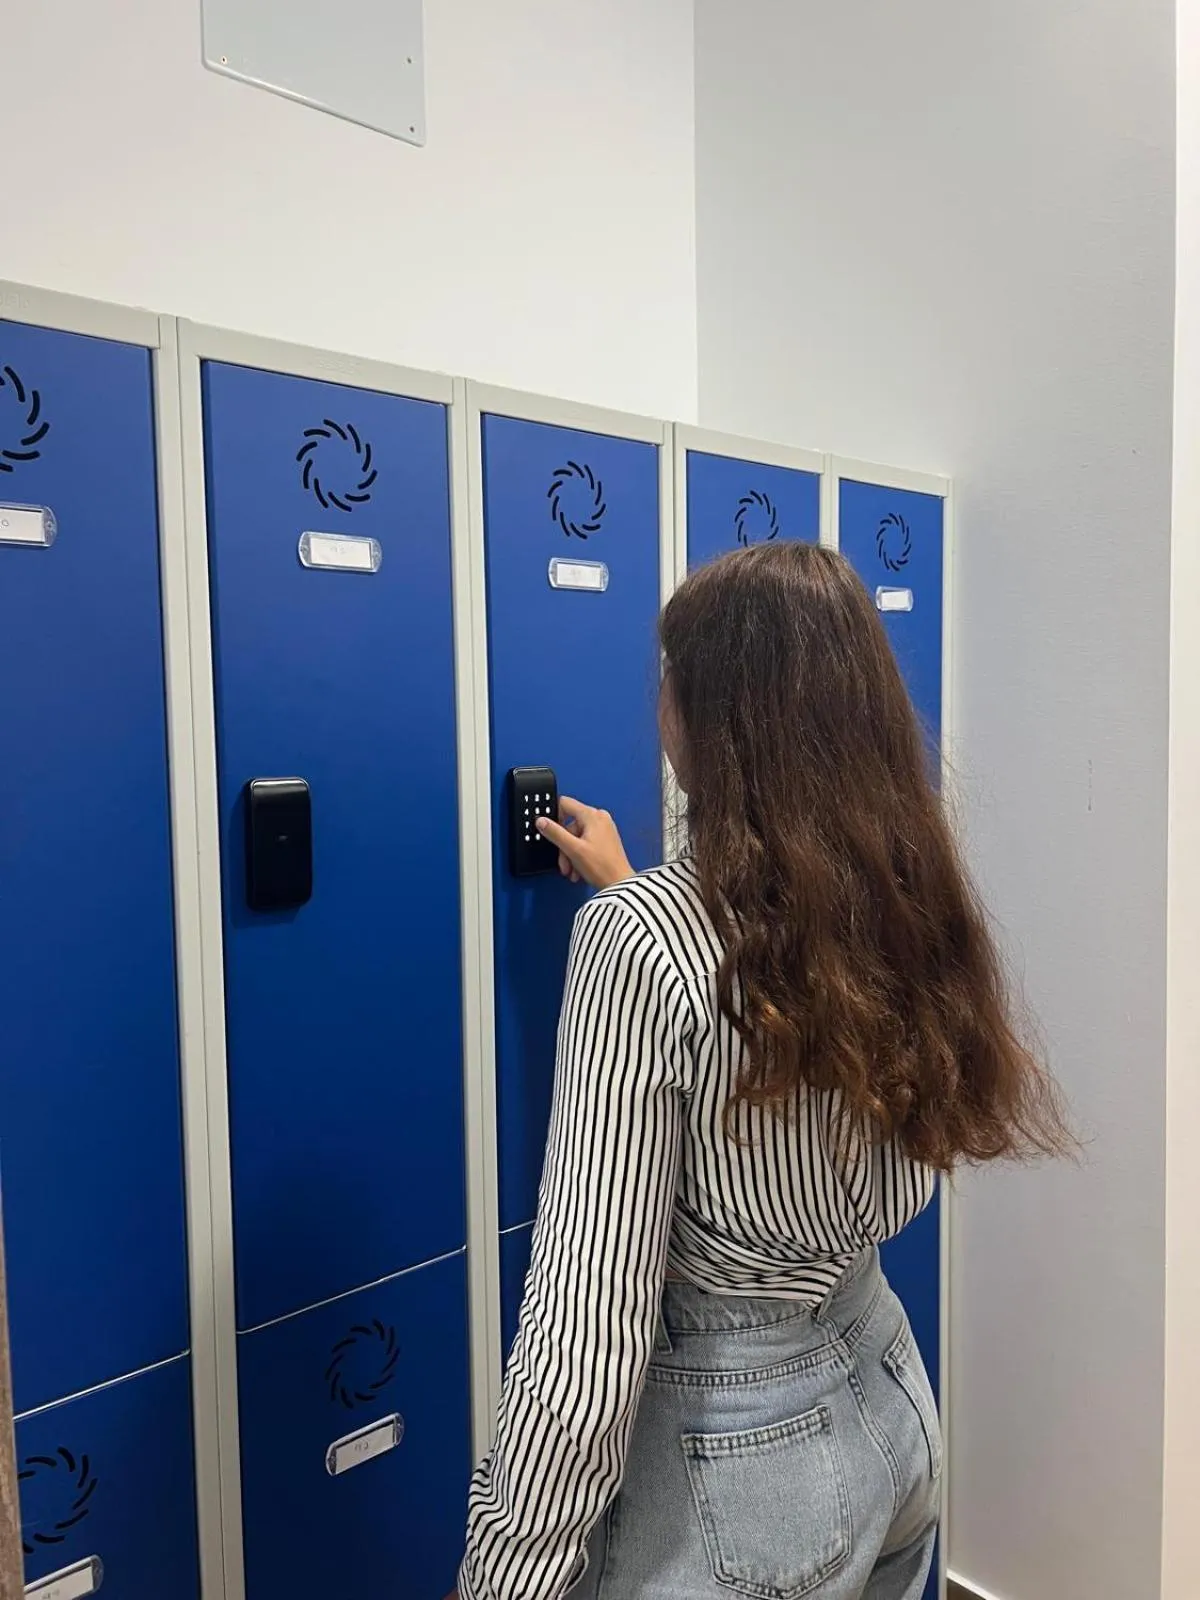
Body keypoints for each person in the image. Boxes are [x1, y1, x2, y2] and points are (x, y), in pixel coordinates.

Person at [455, 542, 1070, 1600]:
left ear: (707, 719)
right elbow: (779, 1016)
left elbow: (584, 1341)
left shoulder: (638, 944)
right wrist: (634, 888)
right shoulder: (899, 893)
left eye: (667, 680)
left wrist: (507, 1575)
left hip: (737, 1481)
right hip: (886, 1400)